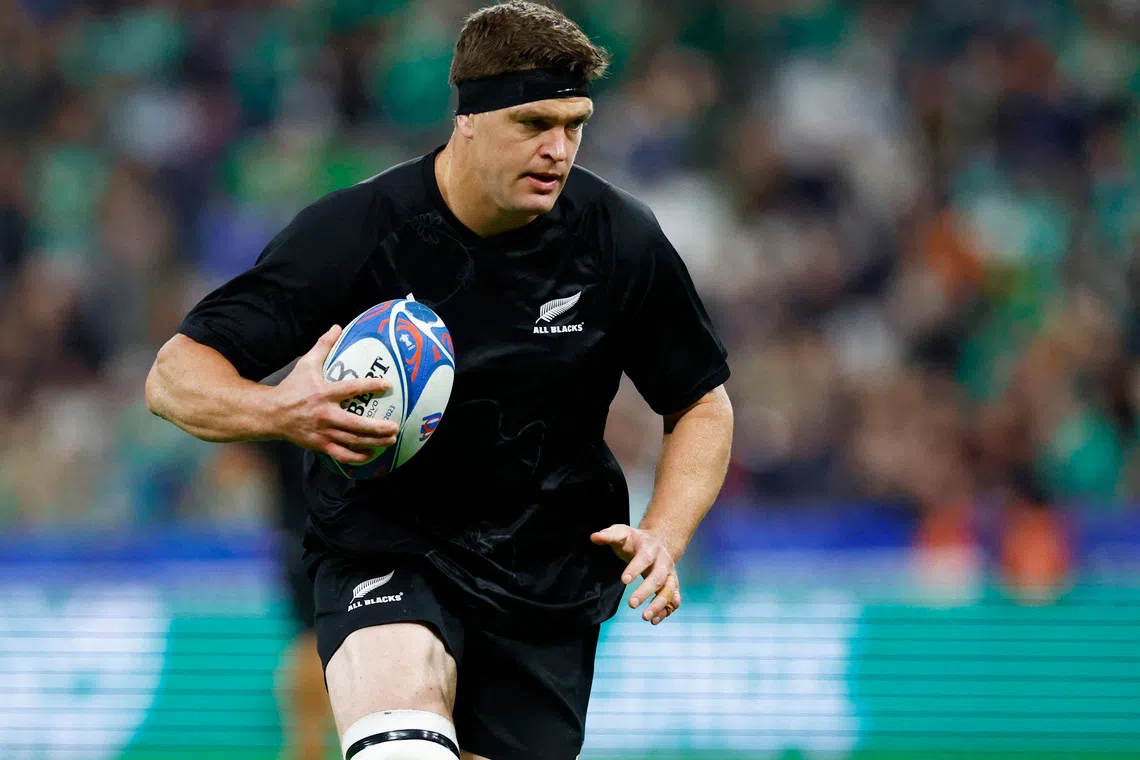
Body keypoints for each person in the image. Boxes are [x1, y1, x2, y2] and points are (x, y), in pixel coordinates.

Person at [145, 2, 734, 758]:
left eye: (574, 123)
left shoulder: (618, 239)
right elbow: (174, 375)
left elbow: (700, 403)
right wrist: (280, 409)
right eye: (533, 124)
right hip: (384, 546)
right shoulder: (358, 233)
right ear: (468, 117)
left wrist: (666, 531)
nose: (559, 149)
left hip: (543, 578)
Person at [259, 436, 336, 760]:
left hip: (302, 535)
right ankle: (306, 746)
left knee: (311, 640)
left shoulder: (280, 386)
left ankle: (305, 745)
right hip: (318, 535)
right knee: (313, 641)